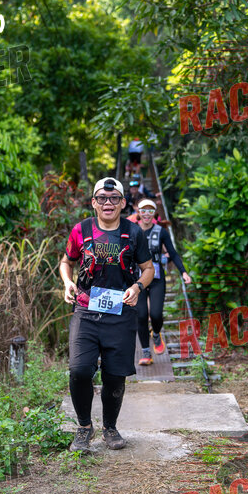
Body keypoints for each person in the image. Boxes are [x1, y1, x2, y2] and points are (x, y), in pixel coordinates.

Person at [59, 177, 154, 452]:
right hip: (86, 311)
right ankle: (84, 427)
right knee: (79, 370)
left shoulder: (134, 232)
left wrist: (137, 287)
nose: (107, 203)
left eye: (114, 198)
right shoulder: (81, 230)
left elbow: (148, 268)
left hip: (120, 313)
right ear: (94, 202)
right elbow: (66, 262)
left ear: (123, 203)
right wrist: (67, 282)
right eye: (102, 198)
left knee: (114, 375)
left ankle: (110, 428)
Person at [133, 199, 192, 365]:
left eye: (150, 211)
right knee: (141, 315)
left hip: (157, 278)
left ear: (154, 214)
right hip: (138, 280)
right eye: (143, 211)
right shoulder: (132, 230)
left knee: (156, 314)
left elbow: (172, 253)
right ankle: (146, 352)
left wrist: (183, 272)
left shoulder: (161, 232)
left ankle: (156, 333)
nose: (146, 214)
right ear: (138, 212)